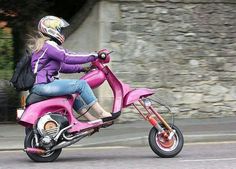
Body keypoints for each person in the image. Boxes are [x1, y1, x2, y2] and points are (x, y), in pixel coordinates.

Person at [28, 15, 113, 122]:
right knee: (80, 85)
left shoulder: (44, 46)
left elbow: (62, 66)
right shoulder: (49, 45)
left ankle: (90, 119)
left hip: (41, 85)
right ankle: (102, 113)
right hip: (43, 85)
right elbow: (66, 57)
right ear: (52, 30)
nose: (61, 32)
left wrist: (82, 69)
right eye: (60, 29)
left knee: (71, 92)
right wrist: (94, 55)